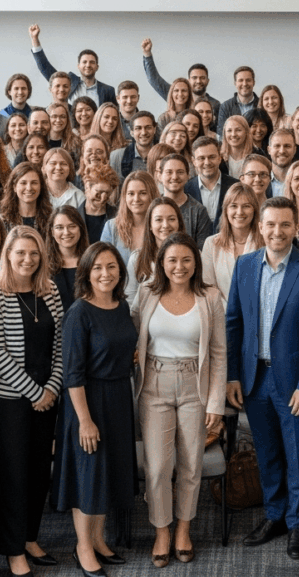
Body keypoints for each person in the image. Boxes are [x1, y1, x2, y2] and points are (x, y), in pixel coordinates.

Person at [226, 197, 299, 560]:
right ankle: (275, 516)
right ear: (260, 226)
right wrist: (232, 377)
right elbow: (234, 324)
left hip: (294, 383)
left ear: (296, 228)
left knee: (298, 455)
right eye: (270, 224)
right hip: (254, 378)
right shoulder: (244, 266)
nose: (277, 232)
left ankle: (298, 523)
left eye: (285, 225)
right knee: (268, 453)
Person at [129, 232, 226, 566]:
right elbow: (131, 335)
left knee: (190, 464)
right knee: (157, 467)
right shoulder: (146, 292)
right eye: (172, 260)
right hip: (154, 384)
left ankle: (184, 529)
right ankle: (162, 530)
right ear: (161, 263)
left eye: (186, 259)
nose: (179, 266)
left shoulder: (210, 297)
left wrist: (215, 403)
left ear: (196, 263)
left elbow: (218, 353)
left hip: (194, 385)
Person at [0, 225, 65, 576]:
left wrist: (53, 388)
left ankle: (30, 537)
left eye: (34, 253)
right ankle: (13, 549)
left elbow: (60, 345)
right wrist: (35, 392)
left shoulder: (51, 291)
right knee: (13, 476)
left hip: (48, 397)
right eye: (20, 253)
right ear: (7, 256)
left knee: (39, 473)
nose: (27, 260)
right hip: (10, 403)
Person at [55, 241, 136, 576]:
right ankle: (83, 546)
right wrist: (85, 421)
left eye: (111, 267)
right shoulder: (79, 312)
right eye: (98, 268)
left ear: (120, 271)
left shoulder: (121, 305)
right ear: (86, 273)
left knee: (109, 472)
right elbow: (72, 373)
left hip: (118, 396)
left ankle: (100, 540)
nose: (105, 273)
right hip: (87, 401)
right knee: (87, 476)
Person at [28, 24, 117, 106]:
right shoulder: (68, 82)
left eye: (92, 62)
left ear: (97, 67)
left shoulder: (108, 91)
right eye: (84, 62)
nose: (88, 65)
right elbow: (45, 67)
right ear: (78, 66)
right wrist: (35, 39)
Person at [201, 183, 263, 303]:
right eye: (233, 206)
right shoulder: (211, 244)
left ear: (254, 210)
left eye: (246, 206)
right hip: (222, 316)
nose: (239, 212)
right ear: (226, 210)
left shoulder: (265, 244)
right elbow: (208, 288)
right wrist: (230, 312)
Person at [141, 38, 221, 127]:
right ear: (188, 80)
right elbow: (154, 80)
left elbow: (217, 130)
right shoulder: (178, 95)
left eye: (202, 78)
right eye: (194, 78)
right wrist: (147, 55)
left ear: (207, 81)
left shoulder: (215, 104)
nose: (198, 81)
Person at [123, 197, 183, 306]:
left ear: (179, 222)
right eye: (158, 220)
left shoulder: (194, 256)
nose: (165, 225)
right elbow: (130, 302)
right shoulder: (137, 259)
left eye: (171, 219)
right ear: (150, 225)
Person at [101, 170, 158, 265]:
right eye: (131, 194)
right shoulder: (111, 227)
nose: (136, 199)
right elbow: (103, 263)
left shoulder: (161, 226)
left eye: (143, 193)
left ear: (152, 195)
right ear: (125, 197)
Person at [158, 153, 213, 247]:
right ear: (160, 176)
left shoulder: (199, 212)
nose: (175, 177)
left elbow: (202, 251)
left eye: (180, 172)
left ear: (188, 176)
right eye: (169, 172)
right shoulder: (152, 208)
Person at [186, 138, 239, 234]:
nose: (207, 162)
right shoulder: (185, 189)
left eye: (211, 157)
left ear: (220, 158)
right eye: (201, 158)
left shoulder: (236, 186)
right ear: (194, 161)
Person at [45, 205, 87, 312]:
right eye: (59, 227)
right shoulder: (43, 264)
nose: (66, 232)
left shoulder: (91, 261)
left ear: (80, 228)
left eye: (72, 226)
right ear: (52, 231)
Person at [0, 163, 51, 233]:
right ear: (14, 187)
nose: (29, 188)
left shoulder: (51, 220)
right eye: (23, 183)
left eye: (34, 183)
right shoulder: (2, 221)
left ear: (41, 186)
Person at [78, 164, 119, 244]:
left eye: (107, 193)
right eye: (98, 193)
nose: (103, 198)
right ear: (87, 187)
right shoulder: (73, 215)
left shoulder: (117, 215)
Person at [108, 111, 157, 177]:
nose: (143, 132)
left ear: (155, 129)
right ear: (131, 132)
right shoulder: (116, 156)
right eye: (138, 128)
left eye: (148, 127)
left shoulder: (163, 155)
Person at [215, 66, 259, 139]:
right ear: (235, 83)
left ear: (253, 82)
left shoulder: (262, 104)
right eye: (241, 80)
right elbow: (222, 134)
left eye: (248, 80)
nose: (244, 84)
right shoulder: (225, 106)